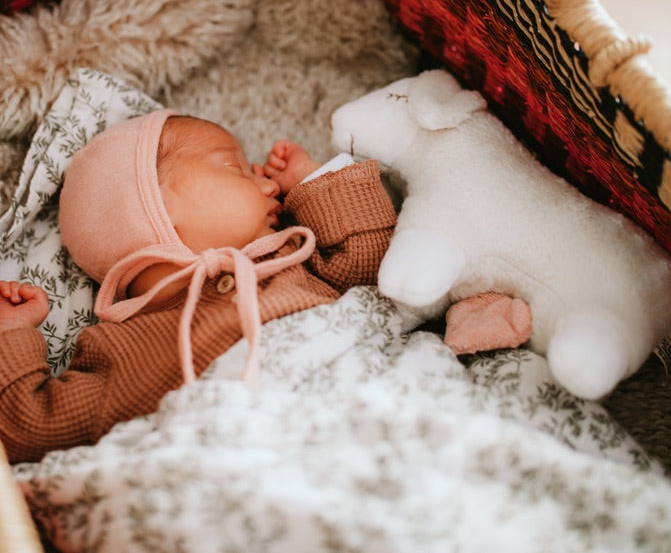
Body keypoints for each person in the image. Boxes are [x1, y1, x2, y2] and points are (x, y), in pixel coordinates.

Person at [0, 109, 397, 463]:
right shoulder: (120, 351)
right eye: (235, 168)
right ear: (157, 206)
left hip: (363, 419)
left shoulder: (288, 259)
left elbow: (374, 265)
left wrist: (311, 181)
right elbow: (31, 428)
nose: (270, 185)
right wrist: (12, 333)